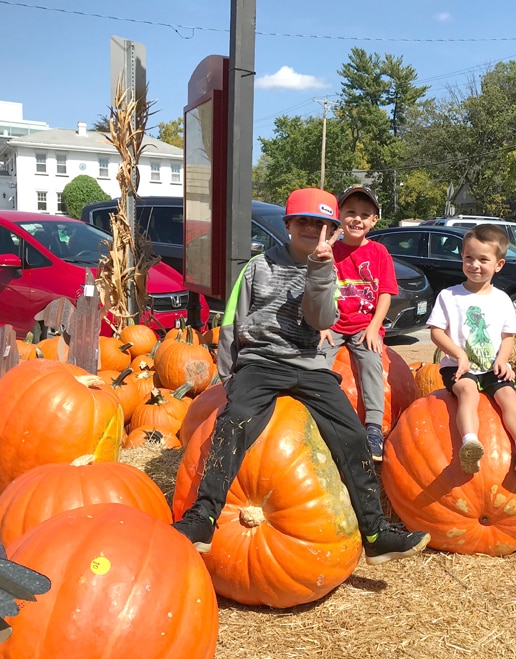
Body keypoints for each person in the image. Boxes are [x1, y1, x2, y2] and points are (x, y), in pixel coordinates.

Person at [172, 187, 430, 565]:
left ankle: (375, 531)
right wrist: (229, 375)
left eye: (321, 224)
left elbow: (321, 318)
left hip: (309, 364)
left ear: (332, 229)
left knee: (353, 435)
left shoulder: (328, 267)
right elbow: (232, 319)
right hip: (261, 363)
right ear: (289, 224)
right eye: (304, 221)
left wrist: (321, 273)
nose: (312, 229)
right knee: (234, 421)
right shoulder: (258, 267)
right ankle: (203, 518)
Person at [427, 224, 516, 475]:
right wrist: (459, 354)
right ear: (462, 258)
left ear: (499, 265)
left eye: (483, 259)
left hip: (492, 366)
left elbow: (508, 336)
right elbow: (436, 332)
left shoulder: (502, 299)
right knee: (468, 391)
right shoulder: (449, 296)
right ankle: (470, 444)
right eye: (468, 258)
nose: (474, 265)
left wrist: (503, 361)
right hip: (458, 366)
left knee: (509, 397)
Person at [320, 185, 397, 461]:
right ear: (340, 215)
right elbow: (318, 289)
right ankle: (317, 418)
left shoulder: (378, 253)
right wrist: (322, 325)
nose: (357, 219)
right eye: (351, 212)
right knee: (316, 364)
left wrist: (374, 327)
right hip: (333, 324)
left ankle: (374, 428)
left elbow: (386, 293)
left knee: (372, 365)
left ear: (374, 220)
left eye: (364, 214)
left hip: (365, 325)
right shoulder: (330, 251)